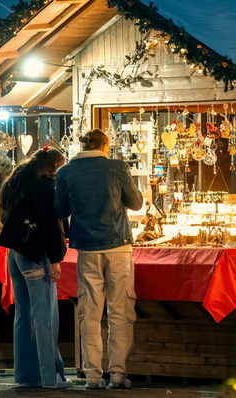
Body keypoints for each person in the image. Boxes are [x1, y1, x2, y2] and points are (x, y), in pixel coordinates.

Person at [54, 129, 143, 390]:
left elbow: (60, 210)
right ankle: (117, 373)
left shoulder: (66, 173)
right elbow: (136, 204)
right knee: (120, 311)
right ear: (106, 146)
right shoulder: (117, 168)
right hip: (118, 247)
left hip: (86, 248)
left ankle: (92, 375)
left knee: (89, 312)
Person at [0, 147, 71, 389]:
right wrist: (55, 258)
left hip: (15, 254)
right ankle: (51, 377)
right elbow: (49, 224)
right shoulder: (44, 186)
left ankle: (27, 375)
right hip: (35, 256)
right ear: (53, 167)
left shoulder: (16, 181)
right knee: (44, 315)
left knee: (24, 315)